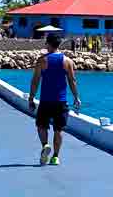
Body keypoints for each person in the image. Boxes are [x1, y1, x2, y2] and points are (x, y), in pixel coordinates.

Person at [28, 34, 80, 166]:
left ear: (48, 44)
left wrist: (31, 98)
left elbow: (35, 81)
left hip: (45, 101)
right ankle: (56, 157)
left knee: (41, 126)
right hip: (61, 102)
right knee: (59, 130)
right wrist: (76, 97)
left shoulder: (42, 60)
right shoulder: (67, 61)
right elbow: (72, 81)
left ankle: (45, 145)